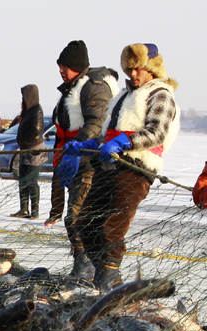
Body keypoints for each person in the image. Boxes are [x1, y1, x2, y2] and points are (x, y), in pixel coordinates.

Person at [69, 43, 180, 291]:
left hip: (137, 168)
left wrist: (125, 142)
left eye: (138, 69)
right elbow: (109, 133)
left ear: (152, 68)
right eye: (129, 69)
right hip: (110, 166)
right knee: (86, 222)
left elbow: (157, 132)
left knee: (112, 225)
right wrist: (88, 145)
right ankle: (102, 273)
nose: (133, 74)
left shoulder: (160, 94)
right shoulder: (124, 96)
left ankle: (109, 277)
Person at [49, 40, 119, 278]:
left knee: (78, 216)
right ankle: (83, 262)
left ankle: (89, 264)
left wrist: (76, 148)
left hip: (90, 162)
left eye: (65, 66)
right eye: (60, 66)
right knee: (75, 217)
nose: (61, 70)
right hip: (73, 160)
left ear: (78, 66)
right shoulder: (72, 87)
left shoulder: (93, 87)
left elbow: (96, 122)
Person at [11, 84, 44, 219]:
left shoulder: (36, 111)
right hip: (25, 150)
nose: (22, 99)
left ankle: (35, 211)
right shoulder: (28, 111)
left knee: (32, 181)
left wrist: (26, 141)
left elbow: (37, 131)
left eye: (24, 96)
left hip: (34, 151)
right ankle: (24, 209)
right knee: (23, 180)